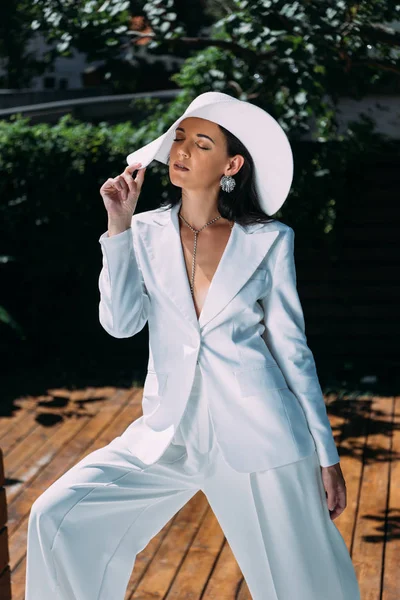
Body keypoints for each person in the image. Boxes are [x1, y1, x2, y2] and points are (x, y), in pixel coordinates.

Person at [25, 91, 361, 599]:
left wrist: (326, 455)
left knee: (304, 584)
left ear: (231, 163)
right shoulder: (143, 230)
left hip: (261, 434)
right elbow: (120, 324)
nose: (181, 150)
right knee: (57, 517)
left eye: (202, 143)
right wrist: (117, 227)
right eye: (179, 137)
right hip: (168, 434)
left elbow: (293, 351)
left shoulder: (269, 239)